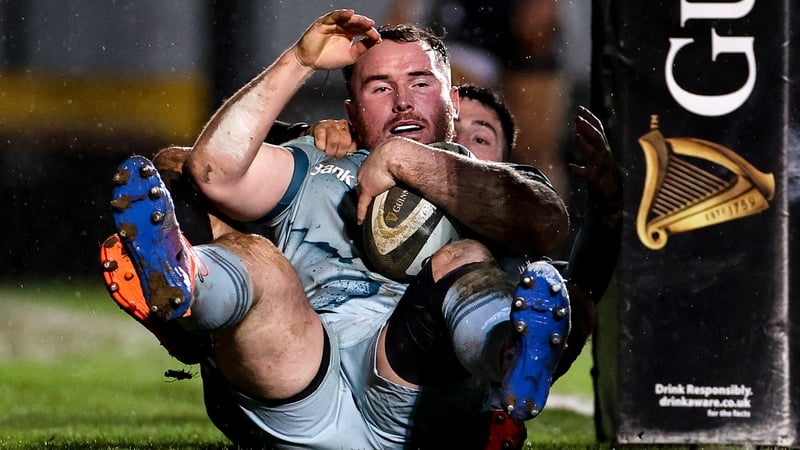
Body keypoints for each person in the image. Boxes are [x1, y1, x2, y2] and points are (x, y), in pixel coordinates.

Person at [99, 10, 611, 448]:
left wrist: (402, 157)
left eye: (420, 83)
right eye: (380, 87)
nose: (403, 101)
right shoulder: (318, 159)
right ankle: (182, 276)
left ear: (452, 101)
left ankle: (510, 352)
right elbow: (215, 171)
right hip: (298, 378)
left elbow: (546, 222)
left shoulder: (486, 183)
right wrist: (298, 62)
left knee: (466, 260)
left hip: (408, 394)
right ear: (351, 110)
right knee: (257, 257)